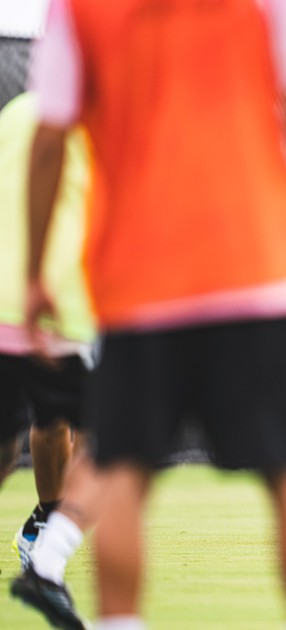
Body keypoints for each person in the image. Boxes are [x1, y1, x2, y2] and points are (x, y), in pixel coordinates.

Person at [12, 0, 286, 628]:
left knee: (123, 472)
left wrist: (35, 273)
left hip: (138, 284)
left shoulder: (77, 9)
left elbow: (50, 142)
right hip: (259, 270)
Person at [1, 91, 103, 630]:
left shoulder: (15, 112)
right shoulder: (97, 115)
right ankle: (47, 554)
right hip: (59, 306)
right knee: (113, 442)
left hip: (11, 302)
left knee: (29, 431)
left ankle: (43, 525)